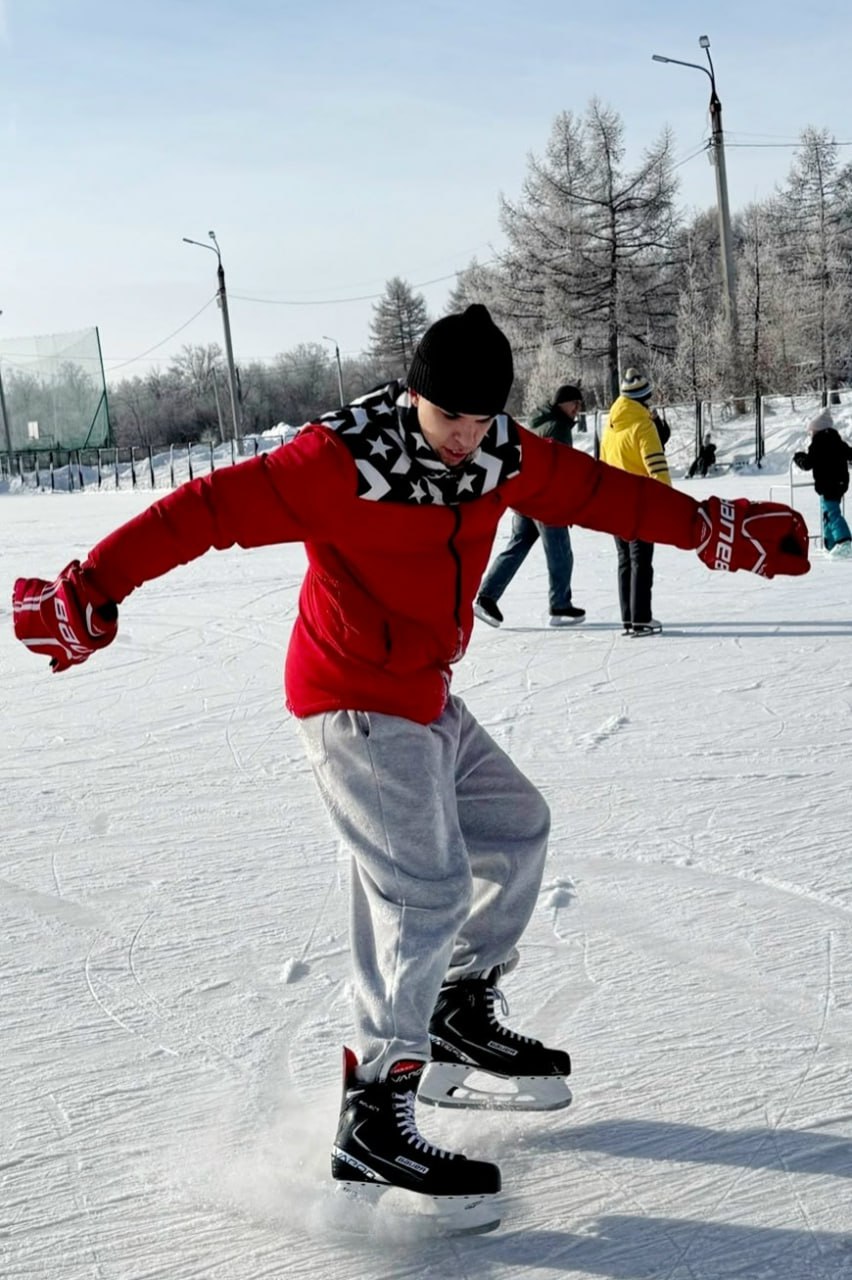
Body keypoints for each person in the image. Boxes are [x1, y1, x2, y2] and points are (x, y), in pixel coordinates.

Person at [12, 306, 810, 1231]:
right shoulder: (336, 460)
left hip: (424, 694)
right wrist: (95, 586)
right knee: (420, 892)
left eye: (482, 420)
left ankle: (459, 1009)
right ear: (414, 395)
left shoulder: (502, 453)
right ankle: (374, 1117)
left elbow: (604, 495)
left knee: (517, 828)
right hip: (350, 699)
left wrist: (711, 528)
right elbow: (206, 512)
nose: (468, 439)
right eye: (451, 418)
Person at [474, 384, 585, 628]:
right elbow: (558, 471)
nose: (578, 408)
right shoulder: (557, 428)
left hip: (525, 496)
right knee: (561, 553)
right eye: (574, 403)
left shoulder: (541, 420)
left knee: (517, 545)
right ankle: (560, 606)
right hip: (544, 500)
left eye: (580, 403)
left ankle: (486, 597)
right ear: (561, 403)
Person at [600, 368, 672, 636]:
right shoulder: (643, 425)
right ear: (644, 398)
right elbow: (656, 464)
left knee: (624, 560)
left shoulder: (610, 425)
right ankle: (642, 617)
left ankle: (628, 618)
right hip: (639, 502)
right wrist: (667, 500)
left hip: (615, 501)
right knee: (641, 560)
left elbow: (604, 464)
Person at [793, 408, 852, 558]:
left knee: (832, 513)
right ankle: (831, 544)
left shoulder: (818, 444)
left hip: (827, 484)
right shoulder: (838, 441)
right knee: (828, 513)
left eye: (812, 431)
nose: (811, 434)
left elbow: (808, 464)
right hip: (840, 483)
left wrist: (799, 457)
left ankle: (845, 542)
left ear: (818, 430)